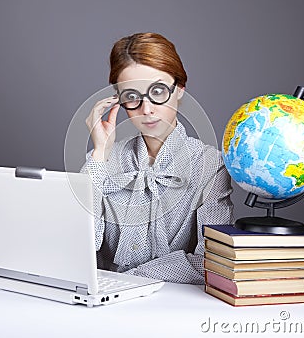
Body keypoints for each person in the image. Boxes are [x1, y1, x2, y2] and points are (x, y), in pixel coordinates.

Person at [81, 32, 233, 284]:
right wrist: (99, 154)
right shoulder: (101, 161)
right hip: (104, 306)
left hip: (174, 307)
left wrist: (133, 278)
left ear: (180, 89)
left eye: (158, 91)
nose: (147, 109)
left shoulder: (211, 166)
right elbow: (77, 244)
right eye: (132, 96)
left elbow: (212, 260)